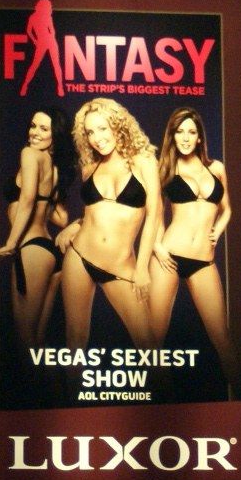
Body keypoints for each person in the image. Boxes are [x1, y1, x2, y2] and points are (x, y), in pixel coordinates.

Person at [149, 109, 241, 396]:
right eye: (179, 131)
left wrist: (220, 228)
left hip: (203, 260)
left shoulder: (216, 168)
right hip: (169, 256)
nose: (185, 138)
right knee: (153, 340)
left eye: (191, 132)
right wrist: (156, 246)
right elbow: (151, 214)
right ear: (172, 135)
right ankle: (161, 408)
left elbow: (227, 208)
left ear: (200, 137)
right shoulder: (163, 168)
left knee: (222, 338)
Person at [57, 97, 160, 350]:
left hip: (121, 266)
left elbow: (155, 215)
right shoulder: (90, 167)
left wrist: (143, 268)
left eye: (103, 128)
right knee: (75, 341)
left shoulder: (144, 162)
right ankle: (74, 392)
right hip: (79, 257)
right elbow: (97, 212)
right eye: (90, 131)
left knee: (148, 345)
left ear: (118, 125)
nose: (97, 138)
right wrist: (76, 224)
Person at [0, 109, 68, 346]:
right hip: (48, 252)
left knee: (25, 343)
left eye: (44, 129)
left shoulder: (30, 154)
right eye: (33, 126)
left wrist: (11, 245)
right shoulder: (52, 167)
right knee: (37, 344)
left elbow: (28, 199)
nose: (35, 133)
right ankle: (52, 385)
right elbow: (61, 219)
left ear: (55, 135)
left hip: (30, 250)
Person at [18, 0, 62, 96]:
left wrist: (48, 40)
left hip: (50, 42)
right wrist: (35, 40)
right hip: (43, 42)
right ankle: (25, 86)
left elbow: (52, 31)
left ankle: (60, 86)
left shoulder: (47, 17)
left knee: (56, 65)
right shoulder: (33, 17)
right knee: (34, 65)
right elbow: (29, 31)